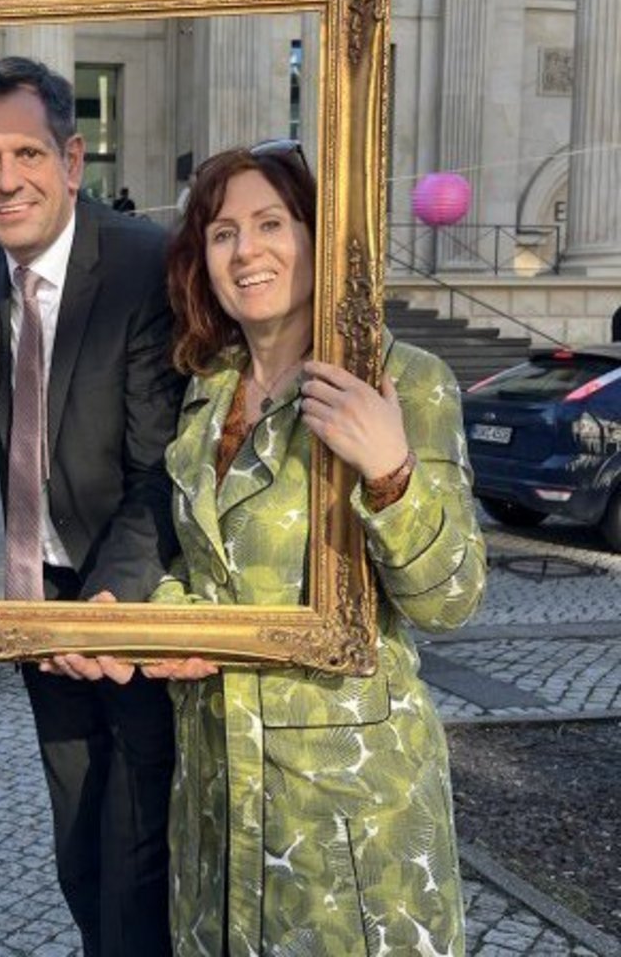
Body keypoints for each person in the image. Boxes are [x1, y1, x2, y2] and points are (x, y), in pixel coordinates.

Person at [148, 141, 486, 956]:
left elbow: (452, 602)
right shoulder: (207, 389)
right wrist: (169, 620)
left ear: (321, 238)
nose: (246, 251)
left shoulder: (404, 380)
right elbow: (198, 565)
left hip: (346, 800)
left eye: (272, 223)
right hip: (218, 787)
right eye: (223, 232)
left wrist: (392, 471)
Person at [0, 57, 186, 957]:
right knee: (77, 844)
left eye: (26, 153)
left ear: (73, 160)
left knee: (137, 855)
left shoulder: (142, 267)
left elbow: (162, 467)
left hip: (130, 606)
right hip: (35, 603)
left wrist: (114, 601)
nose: (5, 180)